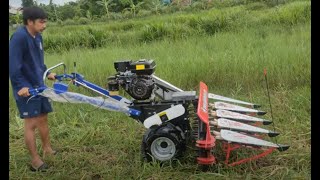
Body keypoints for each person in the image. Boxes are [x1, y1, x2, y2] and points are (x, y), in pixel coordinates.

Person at [9, 7, 57, 172]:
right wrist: (21, 86)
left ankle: (47, 149)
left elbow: (39, 62)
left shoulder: (38, 37)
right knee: (31, 123)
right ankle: (35, 160)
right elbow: (13, 66)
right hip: (25, 88)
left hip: (39, 83)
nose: (45, 25)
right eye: (41, 22)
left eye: (45, 21)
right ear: (30, 21)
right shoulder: (19, 38)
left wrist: (48, 72)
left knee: (43, 117)